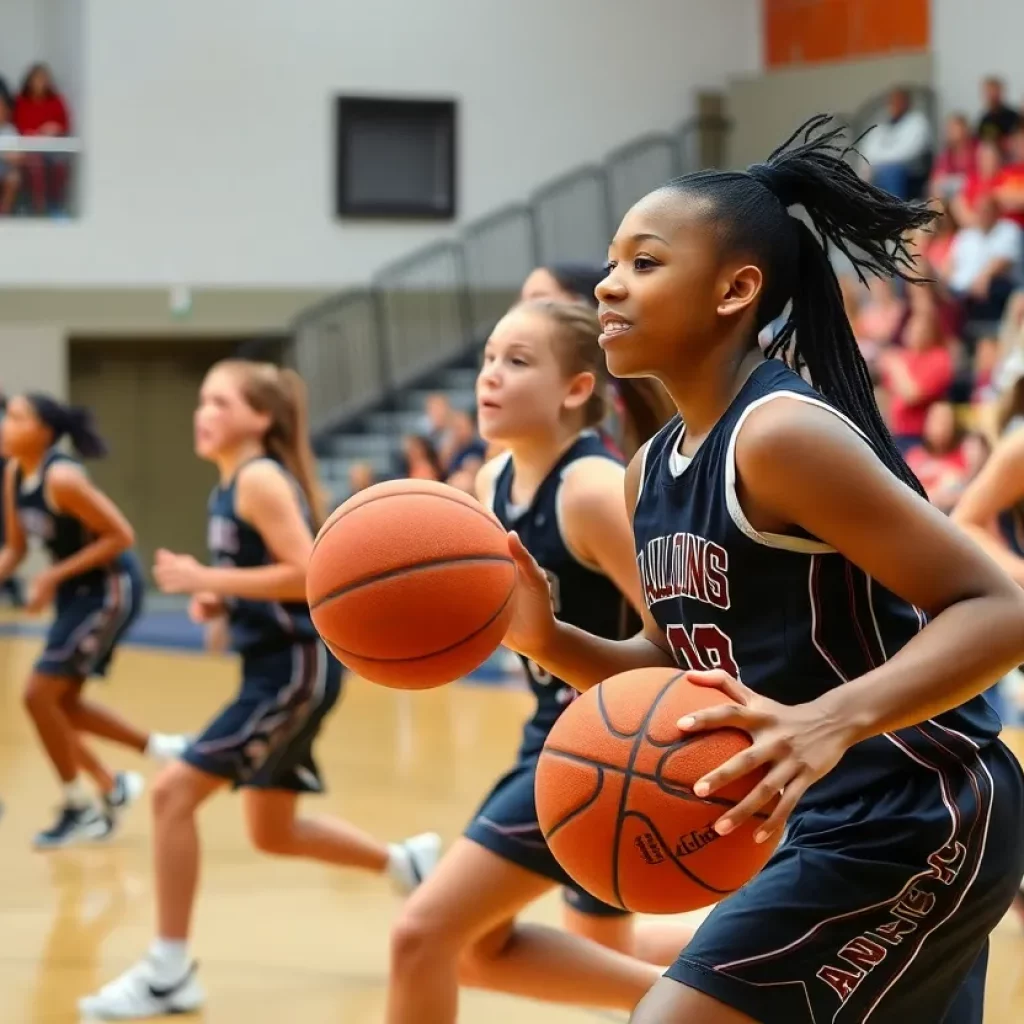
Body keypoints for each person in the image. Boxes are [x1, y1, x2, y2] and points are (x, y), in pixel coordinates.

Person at [498, 116, 1024, 1023]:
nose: (612, 286)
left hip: (918, 809)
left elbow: (997, 608)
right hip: (816, 815)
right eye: (613, 263)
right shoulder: (648, 469)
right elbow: (670, 672)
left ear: (736, 289)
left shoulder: (778, 436)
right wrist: (545, 636)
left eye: (646, 263)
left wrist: (829, 720)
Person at [79, 360, 440, 1020]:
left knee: (169, 794)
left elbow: (309, 572)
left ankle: (168, 971)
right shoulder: (230, 484)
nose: (202, 412)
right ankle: (403, 863)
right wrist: (220, 602)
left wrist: (208, 581)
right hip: (274, 665)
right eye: (202, 400)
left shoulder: (260, 479)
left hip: (293, 668)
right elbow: (261, 574)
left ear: (260, 418)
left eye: (219, 401)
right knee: (272, 831)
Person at [387, 300, 691, 1023]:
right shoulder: (492, 483)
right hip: (551, 733)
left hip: (610, 746)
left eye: (517, 362)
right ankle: (720, 997)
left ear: (577, 390)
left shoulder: (590, 492)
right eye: (489, 358)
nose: (490, 376)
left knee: (424, 936)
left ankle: (712, 1001)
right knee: (520, 948)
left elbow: (682, 645)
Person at [0, 394, 187, 847]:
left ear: (45, 431)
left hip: (110, 587)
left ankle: (79, 806)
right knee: (60, 706)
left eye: (17, 417)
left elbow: (122, 535)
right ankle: (131, 772)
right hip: (75, 591)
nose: (5, 424)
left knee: (38, 695)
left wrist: (51, 577)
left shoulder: (61, 479)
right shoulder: (12, 475)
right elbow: (16, 548)